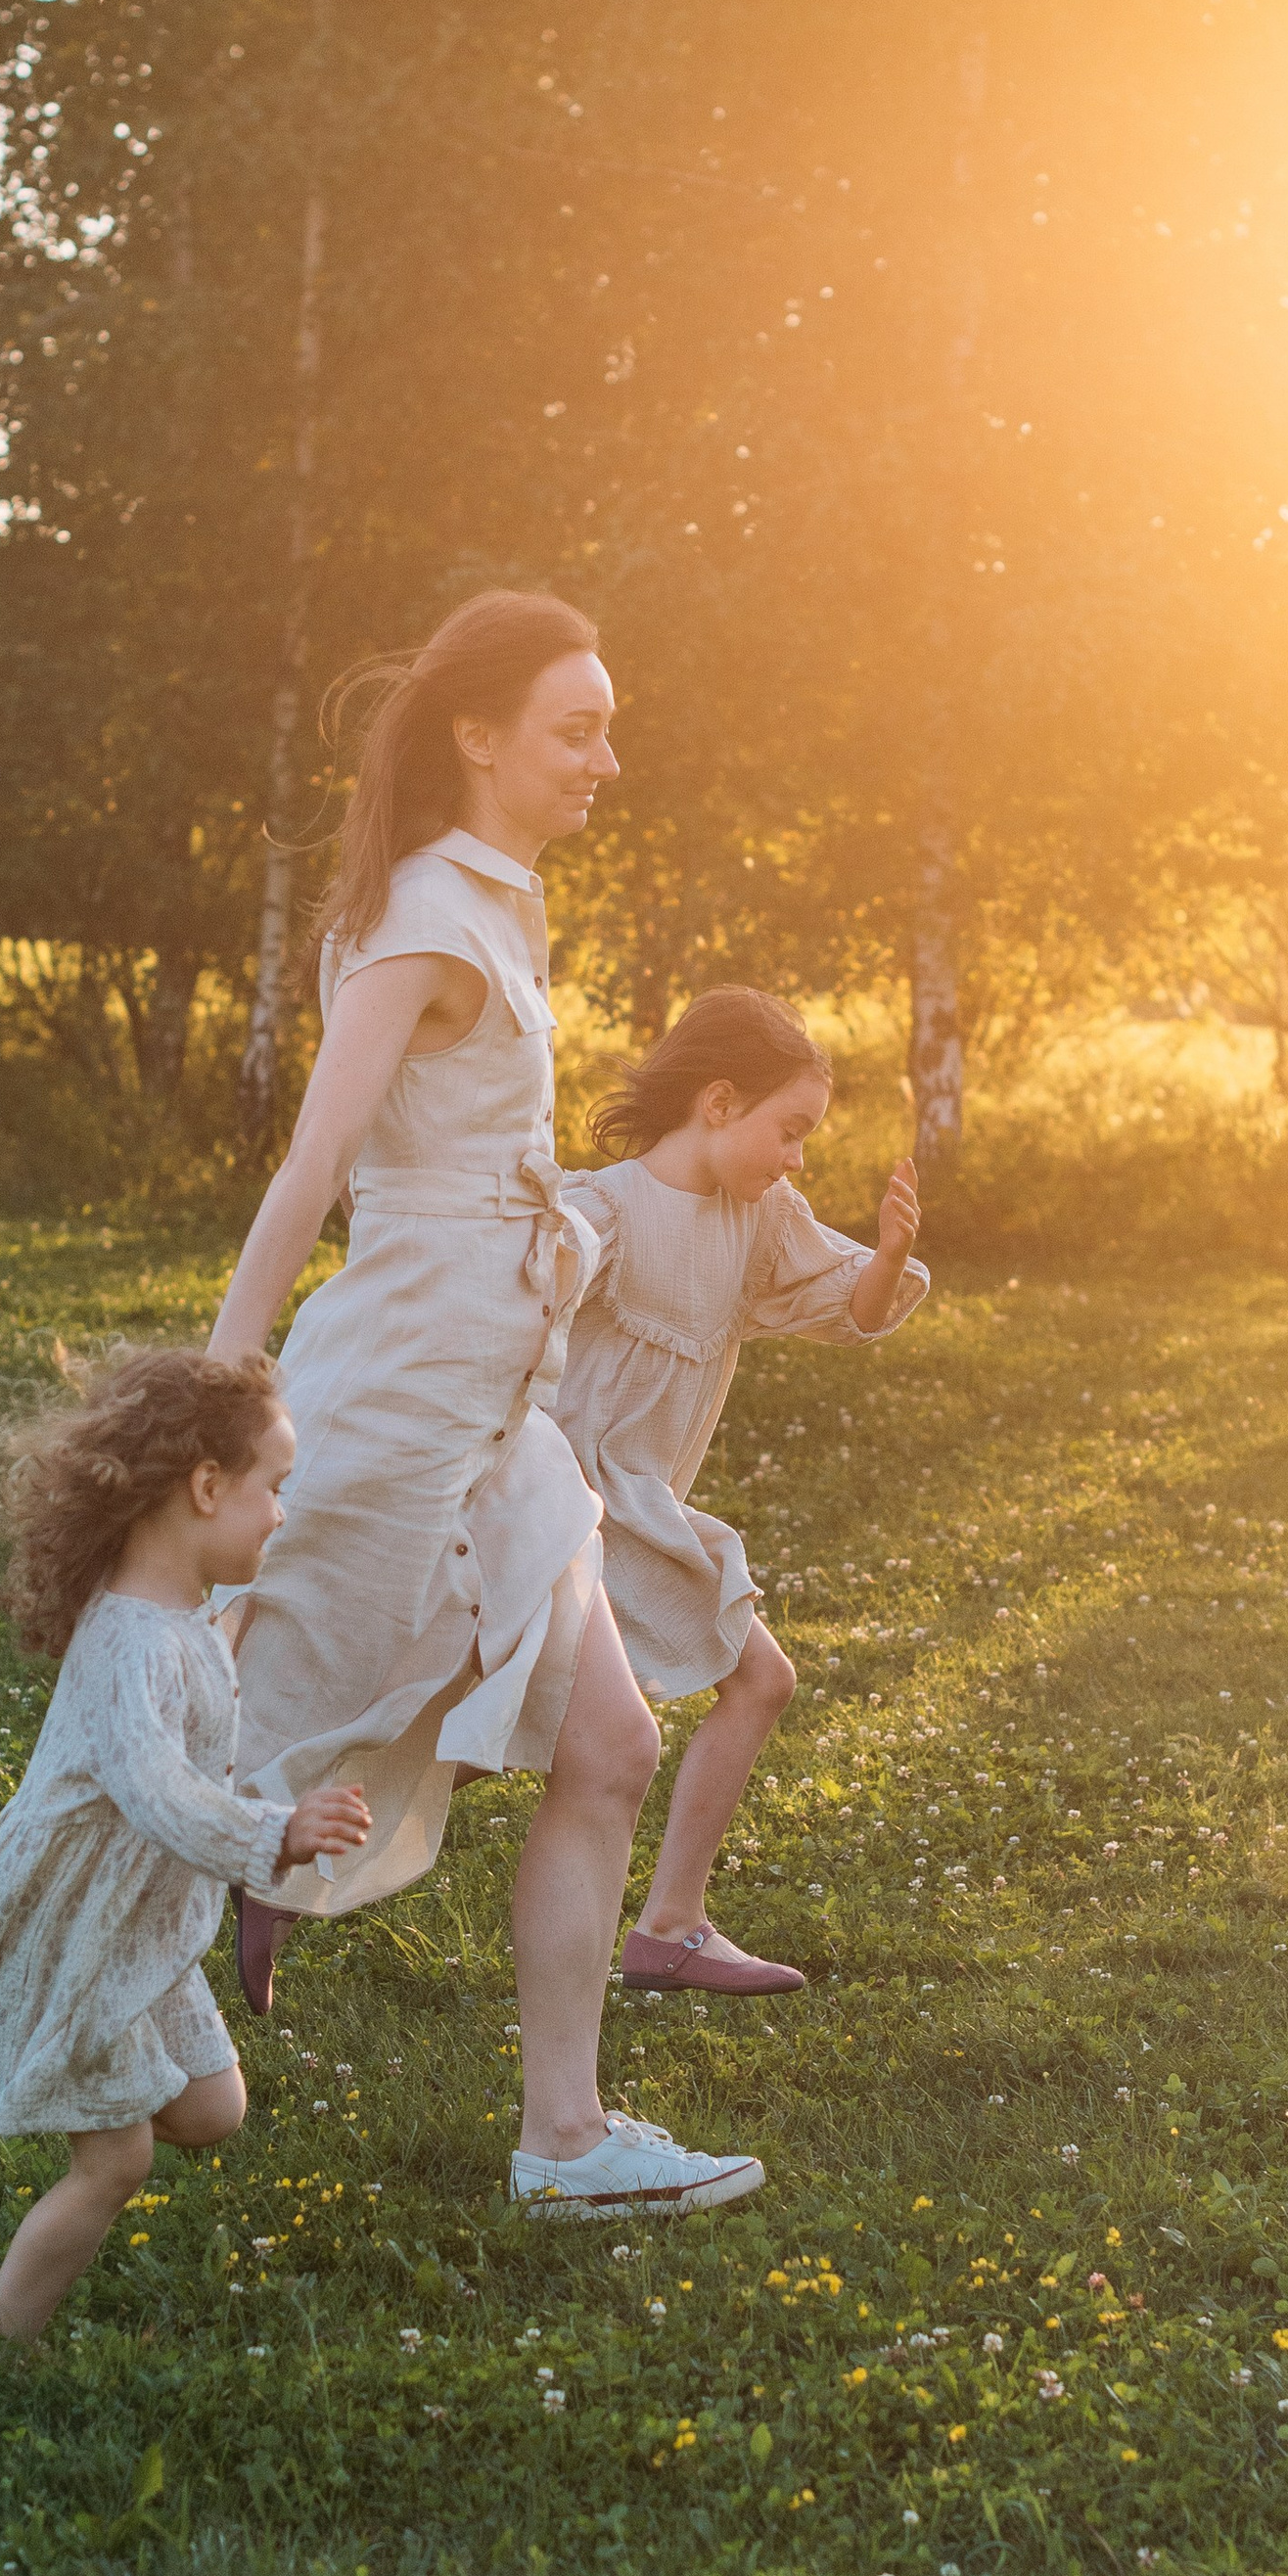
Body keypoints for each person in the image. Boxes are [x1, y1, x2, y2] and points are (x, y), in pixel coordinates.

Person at [205, 586, 763, 2222]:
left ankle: (564, 2141)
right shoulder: (430, 921)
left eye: (608, 729)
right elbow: (318, 1157)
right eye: (575, 729)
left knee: (612, 1741)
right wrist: (220, 1386)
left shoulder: (493, 903)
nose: (606, 760)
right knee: (224, 1744)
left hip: (502, 1397)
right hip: (398, 1395)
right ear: (477, 734)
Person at [0, 1349, 371, 2345]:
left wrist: (246, 1626)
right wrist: (277, 1832)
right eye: (274, 1489)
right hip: (77, 1931)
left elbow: (195, 1681)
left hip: (139, 1926)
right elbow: (158, 1792)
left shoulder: (178, 1618)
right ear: (206, 1487)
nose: (281, 1514)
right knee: (117, 2161)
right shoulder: (128, 1643)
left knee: (212, 2110)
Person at [555, 987, 928, 1994]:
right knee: (738, 1680)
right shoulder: (603, 1209)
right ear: (718, 1102)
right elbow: (508, 1314)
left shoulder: (759, 1220)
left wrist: (891, 1254)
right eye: (790, 1129)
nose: (798, 1157)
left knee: (530, 1718)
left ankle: (669, 1926)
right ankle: (293, 1840)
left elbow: (852, 1308)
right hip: (574, 1502)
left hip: (638, 1504)